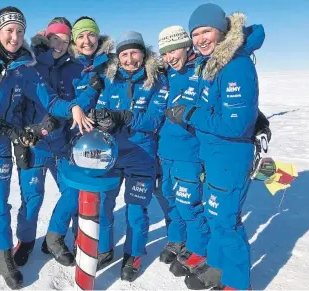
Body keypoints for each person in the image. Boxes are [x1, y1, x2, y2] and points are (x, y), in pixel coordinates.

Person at [0, 6, 91, 289]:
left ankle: (4, 259)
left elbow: (48, 100)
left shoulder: (24, 67)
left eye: (20, 31)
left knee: (0, 205)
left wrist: (72, 106)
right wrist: (6, 128)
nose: (15, 37)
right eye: (9, 30)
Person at [165, 3, 265, 290]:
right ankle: (219, 269)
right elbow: (219, 106)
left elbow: (235, 125)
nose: (200, 39)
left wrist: (189, 113)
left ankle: (236, 282)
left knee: (226, 223)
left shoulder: (235, 65)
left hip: (229, 156)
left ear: (221, 31)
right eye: (195, 34)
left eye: (206, 31)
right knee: (214, 215)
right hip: (213, 154)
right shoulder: (214, 63)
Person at [13, 16, 103, 267]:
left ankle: (54, 236)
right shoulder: (30, 65)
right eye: (55, 39)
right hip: (35, 144)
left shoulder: (74, 67)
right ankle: (26, 241)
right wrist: (24, 133)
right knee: (32, 198)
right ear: (46, 37)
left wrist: (91, 91)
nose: (60, 45)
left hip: (62, 143)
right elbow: (16, 104)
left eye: (65, 40)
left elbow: (82, 101)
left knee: (73, 192)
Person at [89, 31, 168, 282]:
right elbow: (101, 106)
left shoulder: (157, 81)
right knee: (104, 205)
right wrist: (102, 118)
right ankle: (104, 248)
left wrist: (126, 117)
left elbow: (155, 119)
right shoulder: (111, 80)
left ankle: (133, 254)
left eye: (134, 52)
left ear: (143, 54)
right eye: (124, 54)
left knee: (135, 209)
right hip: (111, 154)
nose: (129, 58)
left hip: (142, 155)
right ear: (119, 57)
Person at [156, 26, 210, 277]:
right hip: (165, 151)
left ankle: (198, 249)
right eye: (164, 53)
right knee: (169, 199)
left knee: (190, 204)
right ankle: (177, 240)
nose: (169, 57)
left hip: (190, 153)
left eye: (173, 50)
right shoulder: (167, 74)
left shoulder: (202, 71)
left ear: (187, 46)